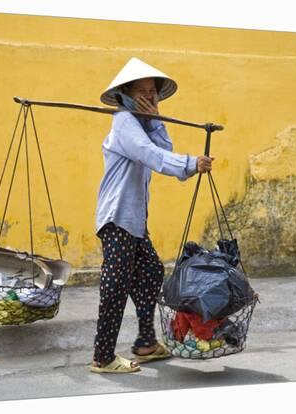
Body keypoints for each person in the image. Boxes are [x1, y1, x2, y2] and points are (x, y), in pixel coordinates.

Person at [90, 57, 214, 373]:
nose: (149, 96)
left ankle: (145, 342)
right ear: (127, 94)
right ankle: (103, 357)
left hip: (133, 221)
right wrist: (190, 164)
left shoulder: (144, 123)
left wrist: (156, 119)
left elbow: (163, 145)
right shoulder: (124, 123)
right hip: (117, 218)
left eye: (153, 92)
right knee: (115, 286)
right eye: (142, 91)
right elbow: (153, 156)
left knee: (151, 271)